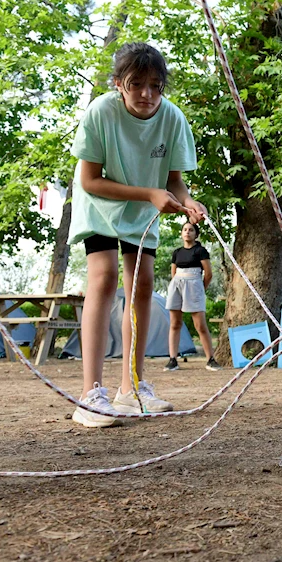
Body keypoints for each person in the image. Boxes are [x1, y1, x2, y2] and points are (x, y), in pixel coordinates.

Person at [69, 42, 206, 428]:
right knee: (105, 277)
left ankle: (131, 387)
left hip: (143, 211)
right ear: (119, 84)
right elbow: (90, 180)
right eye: (136, 85)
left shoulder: (173, 118)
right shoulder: (101, 113)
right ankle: (90, 395)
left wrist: (189, 202)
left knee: (143, 284)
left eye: (155, 86)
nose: (147, 94)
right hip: (100, 204)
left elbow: (174, 182)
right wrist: (148, 193)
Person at [165, 221, 219, 371]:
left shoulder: (200, 251)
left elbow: (208, 274)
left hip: (194, 285)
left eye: (191, 230)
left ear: (196, 234)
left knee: (200, 325)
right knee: (175, 323)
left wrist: (201, 289)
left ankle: (210, 359)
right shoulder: (176, 252)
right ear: (181, 233)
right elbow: (173, 272)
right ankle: (172, 359)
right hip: (177, 285)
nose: (187, 232)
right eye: (185, 230)